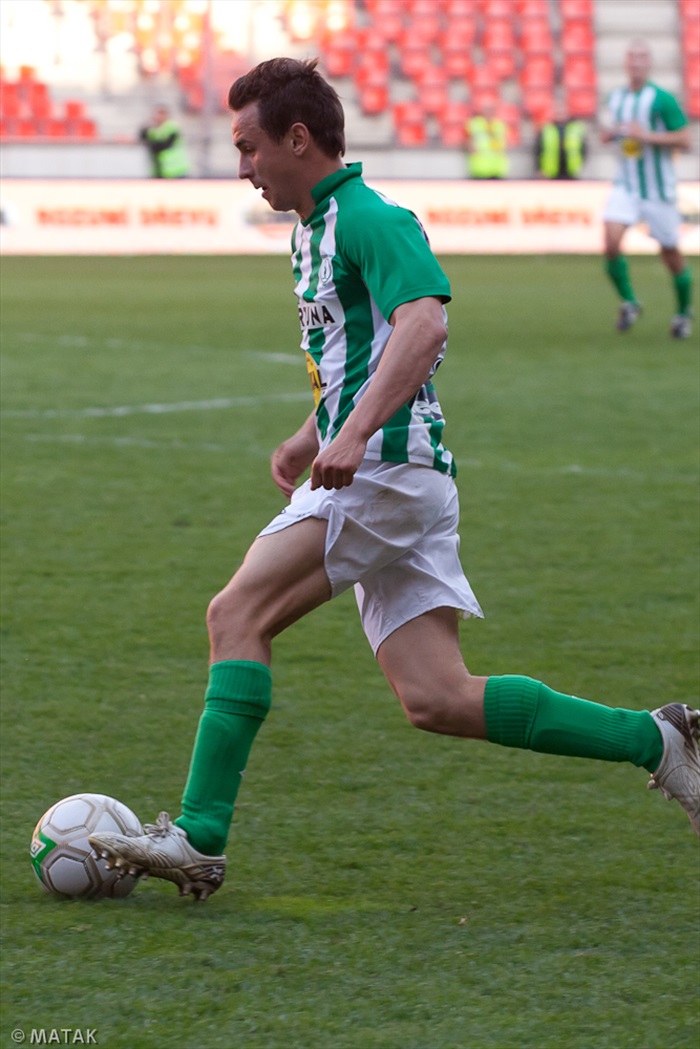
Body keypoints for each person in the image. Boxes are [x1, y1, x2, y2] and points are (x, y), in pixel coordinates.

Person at [90, 58, 699, 902]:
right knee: (438, 697)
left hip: (386, 470)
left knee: (236, 614)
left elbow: (425, 324)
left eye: (248, 146)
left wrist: (355, 431)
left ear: (298, 138)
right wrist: (313, 430)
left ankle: (197, 835)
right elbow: (360, 347)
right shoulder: (314, 225)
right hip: (390, 470)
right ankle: (658, 740)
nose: (242, 168)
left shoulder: (371, 217)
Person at [600, 40, 694, 338]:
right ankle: (629, 302)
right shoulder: (617, 99)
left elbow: (685, 139)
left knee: (671, 254)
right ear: (626, 63)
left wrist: (648, 136)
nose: (636, 62)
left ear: (649, 63)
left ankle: (683, 313)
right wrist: (613, 134)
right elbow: (618, 135)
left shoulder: (661, 99)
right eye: (631, 56)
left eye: (641, 57)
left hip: (658, 190)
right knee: (611, 242)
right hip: (627, 185)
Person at [534, 98, 587, 179]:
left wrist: (581, 166)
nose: (560, 113)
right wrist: (539, 169)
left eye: (562, 110)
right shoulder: (546, 128)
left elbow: (583, 149)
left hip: (572, 172)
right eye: (557, 111)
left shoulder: (576, 128)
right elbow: (538, 150)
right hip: (550, 172)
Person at [139, 105, 189, 179]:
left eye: (162, 114)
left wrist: (149, 143)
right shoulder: (153, 128)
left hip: (175, 170)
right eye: (157, 114)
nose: (159, 116)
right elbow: (142, 135)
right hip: (159, 170)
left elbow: (163, 145)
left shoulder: (172, 127)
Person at [465, 96, 509, 179]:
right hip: (479, 169)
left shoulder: (499, 125)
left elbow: (502, 145)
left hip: (496, 169)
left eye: (491, 109)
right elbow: (469, 143)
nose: (489, 112)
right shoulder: (475, 124)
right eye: (487, 109)